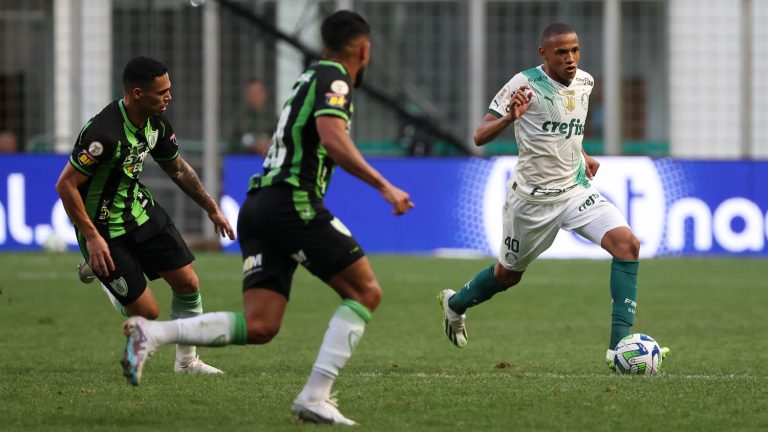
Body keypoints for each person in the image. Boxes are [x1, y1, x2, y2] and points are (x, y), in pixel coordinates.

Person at [120, 10, 414, 425]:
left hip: (259, 205)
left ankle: (153, 333)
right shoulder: (335, 79)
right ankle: (315, 395)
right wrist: (384, 185)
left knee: (261, 325)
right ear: (364, 50)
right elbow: (332, 137)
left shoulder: (309, 77)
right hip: (291, 202)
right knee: (366, 292)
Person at [437, 23, 668, 368]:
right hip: (532, 202)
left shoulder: (586, 83)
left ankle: (618, 346)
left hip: (576, 191)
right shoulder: (523, 84)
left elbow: (568, 129)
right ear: (543, 53)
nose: (571, 58)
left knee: (628, 245)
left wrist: (583, 154)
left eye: (575, 50)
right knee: (508, 276)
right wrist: (508, 119)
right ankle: (456, 305)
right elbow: (480, 135)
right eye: (561, 52)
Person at [55, 56, 235, 376]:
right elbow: (66, 184)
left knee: (188, 283)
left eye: (169, 89)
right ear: (137, 94)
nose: (169, 97)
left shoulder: (157, 122)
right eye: (161, 92)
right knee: (147, 314)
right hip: (103, 228)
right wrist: (93, 237)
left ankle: (187, 362)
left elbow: (177, 169)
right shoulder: (103, 134)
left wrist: (212, 208)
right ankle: (104, 274)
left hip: (140, 210)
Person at [228, 79, 277, 155]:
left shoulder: (272, 117)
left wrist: (268, 144)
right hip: (244, 159)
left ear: (264, 94)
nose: (255, 96)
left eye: (257, 93)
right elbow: (231, 142)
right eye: (252, 93)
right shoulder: (239, 118)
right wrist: (251, 145)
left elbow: (280, 139)